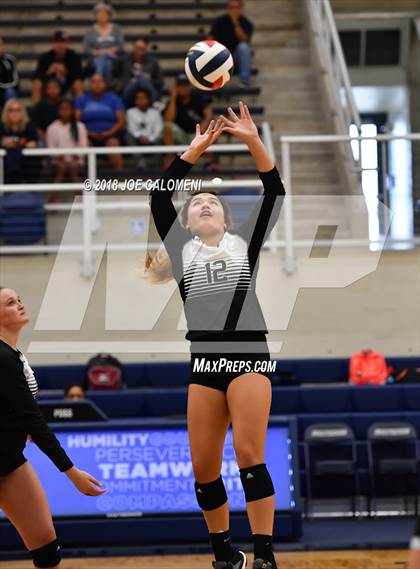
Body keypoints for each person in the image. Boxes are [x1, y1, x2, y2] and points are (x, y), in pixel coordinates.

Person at [148, 102, 284, 569]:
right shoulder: (182, 252)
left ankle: (265, 554)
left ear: (226, 221)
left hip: (248, 356)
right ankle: (225, 555)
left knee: (249, 452)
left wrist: (252, 141)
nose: (204, 204)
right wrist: (193, 149)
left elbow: (274, 193)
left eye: (214, 204)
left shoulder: (244, 245)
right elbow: (158, 198)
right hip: (204, 364)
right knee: (204, 470)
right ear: (186, 225)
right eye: (197, 204)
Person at [0, 286, 106, 569]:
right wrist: (73, 474)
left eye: (19, 299)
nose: (20, 304)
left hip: (8, 461)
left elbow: (15, 410)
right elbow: (32, 417)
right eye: (11, 303)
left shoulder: (13, 353)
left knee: (46, 544)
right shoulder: (1, 357)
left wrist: (23, 430)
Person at [75, 73, 125, 171]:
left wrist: (108, 133)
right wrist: (88, 133)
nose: (97, 85)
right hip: (87, 135)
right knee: (85, 145)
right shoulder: (82, 100)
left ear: (105, 84)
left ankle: (120, 179)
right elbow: (77, 122)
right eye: (94, 82)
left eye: (100, 82)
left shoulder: (113, 99)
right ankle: (86, 180)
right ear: (89, 85)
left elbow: (121, 121)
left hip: (111, 134)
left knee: (113, 143)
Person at [163, 73, 213, 168]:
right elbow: (169, 119)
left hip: (197, 134)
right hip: (181, 135)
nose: (183, 88)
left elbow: (209, 114)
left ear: (189, 86)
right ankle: (170, 159)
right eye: (180, 86)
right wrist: (173, 98)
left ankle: (209, 162)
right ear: (176, 87)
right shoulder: (173, 101)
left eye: (185, 85)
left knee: (210, 131)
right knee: (167, 127)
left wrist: (203, 127)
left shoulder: (197, 97)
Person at [209, 0, 254, 87]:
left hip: (236, 59)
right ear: (227, 8)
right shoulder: (219, 21)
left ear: (241, 9)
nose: (234, 10)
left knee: (243, 47)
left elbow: (244, 39)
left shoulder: (247, 23)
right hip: (222, 57)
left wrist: (235, 23)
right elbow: (211, 38)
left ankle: (245, 81)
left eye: (236, 7)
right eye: (231, 7)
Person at [32, 30, 83, 104]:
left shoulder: (74, 57)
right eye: (57, 42)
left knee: (77, 84)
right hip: (49, 86)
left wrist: (66, 72)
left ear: (67, 44)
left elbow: (79, 76)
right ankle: (36, 110)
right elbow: (37, 76)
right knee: (37, 84)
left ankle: (79, 110)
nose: (60, 45)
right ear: (53, 44)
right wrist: (48, 72)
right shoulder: (45, 57)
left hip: (67, 85)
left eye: (62, 42)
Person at [46, 99, 88, 183]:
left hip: (77, 159)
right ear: (58, 111)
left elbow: (84, 145)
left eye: (67, 109)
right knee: (61, 166)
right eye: (62, 109)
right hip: (58, 160)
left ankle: (79, 194)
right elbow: (50, 146)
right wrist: (58, 156)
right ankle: (53, 195)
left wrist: (77, 155)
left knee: (73, 165)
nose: (65, 111)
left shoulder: (80, 126)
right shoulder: (52, 127)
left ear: (72, 111)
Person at [83, 2, 124, 86]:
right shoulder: (90, 31)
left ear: (109, 15)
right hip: (95, 59)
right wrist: (101, 52)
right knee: (105, 62)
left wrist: (109, 52)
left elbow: (120, 45)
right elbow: (86, 49)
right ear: (95, 15)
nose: (102, 15)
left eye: (104, 13)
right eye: (99, 13)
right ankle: (108, 85)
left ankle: (97, 82)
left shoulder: (117, 28)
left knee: (106, 60)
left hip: (114, 58)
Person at [0, 99, 37, 184]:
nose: (14, 113)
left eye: (17, 110)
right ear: (6, 112)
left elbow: (33, 144)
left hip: (25, 166)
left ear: (22, 112)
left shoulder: (29, 125)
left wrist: (14, 141)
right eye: (11, 110)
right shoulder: (1, 126)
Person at [120, 38, 164, 107]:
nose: (139, 51)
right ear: (134, 47)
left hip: (146, 90)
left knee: (143, 79)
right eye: (137, 48)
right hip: (128, 90)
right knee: (141, 79)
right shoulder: (124, 60)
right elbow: (114, 73)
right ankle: (155, 102)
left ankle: (154, 102)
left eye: (142, 48)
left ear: (146, 48)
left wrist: (149, 80)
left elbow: (159, 81)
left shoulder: (152, 61)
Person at [126, 88, 163, 170]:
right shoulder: (130, 112)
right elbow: (131, 129)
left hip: (152, 140)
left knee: (159, 138)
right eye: (138, 98)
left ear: (148, 100)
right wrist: (140, 137)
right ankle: (139, 163)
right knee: (128, 136)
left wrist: (150, 139)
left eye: (143, 98)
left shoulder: (155, 113)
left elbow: (158, 129)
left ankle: (157, 165)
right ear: (135, 100)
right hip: (137, 140)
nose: (141, 100)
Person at [30, 78, 62, 143]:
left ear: (60, 89)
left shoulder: (65, 105)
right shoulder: (39, 106)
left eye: (55, 87)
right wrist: (47, 139)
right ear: (46, 91)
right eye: (50, 88)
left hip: (63, 137)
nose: (53, 90)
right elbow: (37, 127)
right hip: (44, 138)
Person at [0, 37, 19, 108]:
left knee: (10, 92)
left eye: (0, 45)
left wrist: (3, 86)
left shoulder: (10, 59)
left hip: (6, 91)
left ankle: (11, 116)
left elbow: (15, 81)